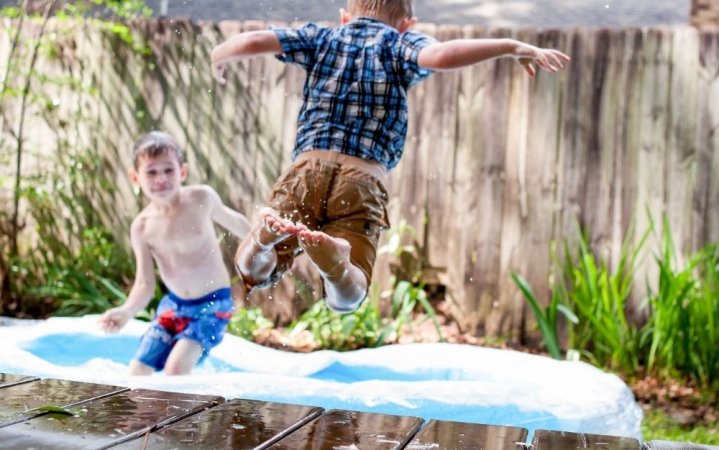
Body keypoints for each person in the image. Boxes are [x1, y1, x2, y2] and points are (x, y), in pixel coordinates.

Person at [210, 0, 570, 314]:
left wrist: (220, 54)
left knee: (253, 272)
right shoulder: (401, 44)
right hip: (362, 180)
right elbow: (442, 56)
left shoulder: (322, 37)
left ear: (345, 17)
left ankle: (261, 238)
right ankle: (337, 266)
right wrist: (510, 46)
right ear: (408, 24)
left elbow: (255, 40)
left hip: (305, 170)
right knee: (348, 295)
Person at [98, 131, 251, 375]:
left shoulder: (201, 198)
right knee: (136, 373)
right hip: (174, 306)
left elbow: (240, 225)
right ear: (135, 177)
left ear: (183, 172)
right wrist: (126, 312)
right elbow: (145, 284)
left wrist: (272, 247)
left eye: (168, 170)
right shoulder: (142, 226)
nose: (161, 179)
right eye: (151, 172)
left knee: (175, 369)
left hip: (213, 304)